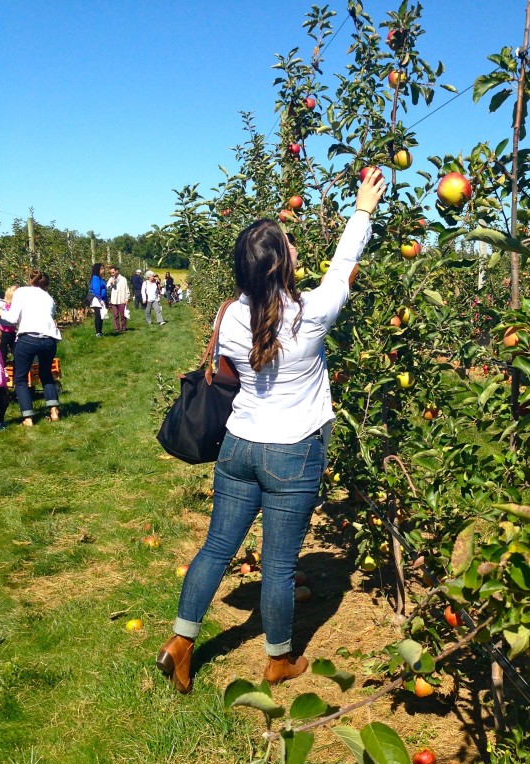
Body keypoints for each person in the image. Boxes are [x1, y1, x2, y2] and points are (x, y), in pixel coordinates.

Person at [156, 167, 386, 694]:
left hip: (239, 446)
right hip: (293, 453)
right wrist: (364, 208)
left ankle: (181, 642)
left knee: (216, 547)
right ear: (284, 264)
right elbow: (344, 264)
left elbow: (233, 374)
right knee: (280, 567)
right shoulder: (312, 314)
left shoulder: (229, 316)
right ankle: (279, 659)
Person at [0, 269, 61, 426]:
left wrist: (0, 313)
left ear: (30, 280)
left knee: (20, 378)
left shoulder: (21, 292)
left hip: (28, 338)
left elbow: (12, 318)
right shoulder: (49, 298)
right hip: (50, 339)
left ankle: (28, 418)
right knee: (46, 374)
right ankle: (54, 411)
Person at [107, 266, 130, 334]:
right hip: (114, 300)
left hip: (122, 299)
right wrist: (111, 284)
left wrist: (127, 298)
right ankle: (117, 328)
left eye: (113, 272)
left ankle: (124, 327)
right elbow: (107, 288)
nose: (112, 274)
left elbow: (126, 289)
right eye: (111, 273)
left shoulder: (123, 279)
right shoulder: (110, 279)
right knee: (115, 315)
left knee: (123, 315)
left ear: (117, 271)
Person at [88, 262, 107, 337]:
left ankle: (100, 331)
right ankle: (98, 332)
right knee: (98, 316)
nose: (103, 270)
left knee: (101, 316)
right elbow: (96, 290)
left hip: (100, 299)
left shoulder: (99, 278)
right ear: (98, 270)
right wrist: (100, 299)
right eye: (102, 268)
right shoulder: (95, 278)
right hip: (97, 300)